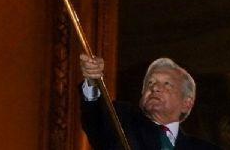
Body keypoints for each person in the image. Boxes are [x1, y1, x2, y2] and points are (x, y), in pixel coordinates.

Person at [79, 55, 222, 150]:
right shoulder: (122, 119)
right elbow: (95, 117)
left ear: (186, 103)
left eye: (167, 84)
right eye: (150, 83)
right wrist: (92, 80)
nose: (154, 88)